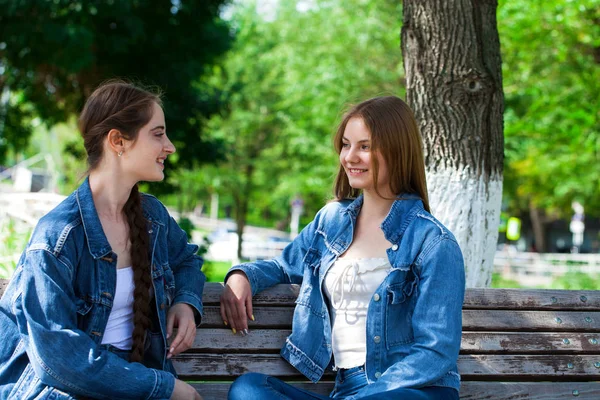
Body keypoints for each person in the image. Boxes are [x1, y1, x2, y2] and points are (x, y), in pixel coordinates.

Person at [221, 96, 465, 399]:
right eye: (346, 145)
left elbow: (436, 351)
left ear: (397, 151)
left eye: (364, 146)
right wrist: (242, 276)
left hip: (409, 389)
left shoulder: (433, 242)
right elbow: (286, 265)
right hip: (347, 388)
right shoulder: (332, 220)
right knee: (250, 390)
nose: (350, 157)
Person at [0, 81, 204, 400]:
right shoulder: (58, 236)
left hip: (135, 381)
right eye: (158, 133)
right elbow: (60, 360)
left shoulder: (153, 218)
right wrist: (164, 387)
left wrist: (186, 301)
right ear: (118, 141)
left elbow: (188, 261)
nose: (170, 146)